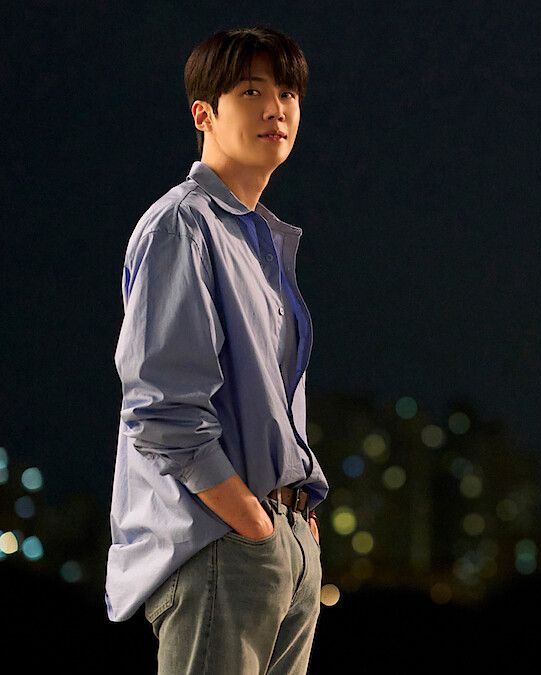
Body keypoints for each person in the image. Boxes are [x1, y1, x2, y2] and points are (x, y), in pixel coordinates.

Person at [106, 27, 328, 674]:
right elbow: (160, 405)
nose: (276, 108)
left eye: (288, 92)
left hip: (281, 537)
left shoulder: (255, 241)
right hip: (224, 541)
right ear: (204, 113)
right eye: (251, 91)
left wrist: (293, 526)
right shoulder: (185, 225)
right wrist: (246, 520)